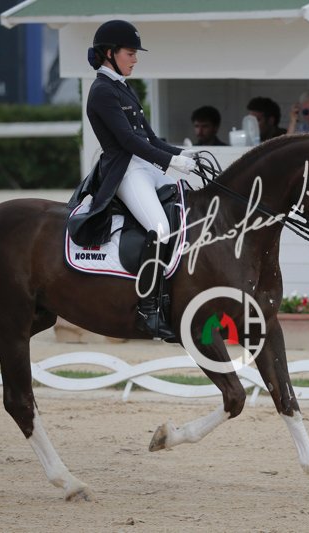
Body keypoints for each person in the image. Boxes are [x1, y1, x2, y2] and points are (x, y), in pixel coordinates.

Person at [85, 20, 196, 340]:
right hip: (125, 170)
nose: (135, 59)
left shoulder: (122, 87)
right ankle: (148, 310)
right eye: (130, 53)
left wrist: (183, 155)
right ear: (110, 53)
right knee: (159, 229)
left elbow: (150, 139)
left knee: (186, 212)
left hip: (145, 166)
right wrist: (171, 162)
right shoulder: (102, 91)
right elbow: (128, 141)